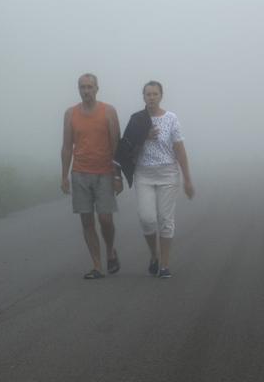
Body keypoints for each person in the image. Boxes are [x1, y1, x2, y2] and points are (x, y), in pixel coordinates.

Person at [60, 73, 123, 279]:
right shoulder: (70, 114)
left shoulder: (108, 112)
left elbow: (116, 145)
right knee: (86, 221)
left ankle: (110, 250)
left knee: (105, 219)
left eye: (89, 87)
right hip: (80, 173)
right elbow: (67, 147)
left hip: (104, 172)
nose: (86, 91)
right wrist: (64, 176)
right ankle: (97, 266)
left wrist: (117, 176)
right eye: (82, 87)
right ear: (78, 89)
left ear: (97, 89)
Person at [133, 80, 195, 279]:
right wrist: (144, 136)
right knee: (147, 218)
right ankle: (154, 255)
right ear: (143, 97)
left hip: (168, 173)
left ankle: (165, 265)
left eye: (155, 94)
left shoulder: (171, 119)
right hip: (144, 173)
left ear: (161, 96)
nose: (151, 97)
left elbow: (179, 149)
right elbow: (126, 147)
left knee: (165, 220)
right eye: (148, 94)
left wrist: (187, 179)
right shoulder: (137, 119)